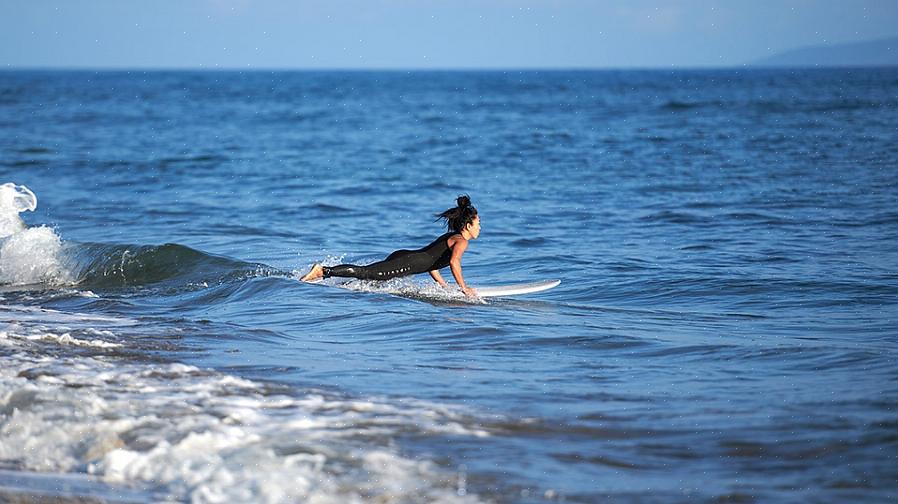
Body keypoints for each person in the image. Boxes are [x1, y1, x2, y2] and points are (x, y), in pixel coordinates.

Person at [300, 195, 481, 297]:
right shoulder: (461, 241)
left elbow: (432, 264)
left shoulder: (452, 237)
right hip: (408, 261)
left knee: (370, 279)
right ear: (468, 226)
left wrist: (444, 286)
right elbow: (454, 263)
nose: (480, 227)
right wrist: (464, 288)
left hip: (406, 256)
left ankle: (339, 284)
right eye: (478, 223)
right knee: (366, 273)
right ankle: (324, 271)